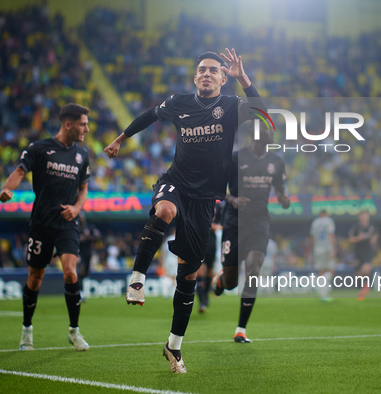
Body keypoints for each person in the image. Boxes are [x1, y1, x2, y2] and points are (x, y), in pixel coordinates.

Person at [104, 48, 263, 373]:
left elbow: (262, 111)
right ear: (195, 77)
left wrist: (244, 78)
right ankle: (136, 279)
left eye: (213, 70)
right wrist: (121, 138)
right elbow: (150, 115)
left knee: (188, 276)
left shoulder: (231, 106)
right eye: (201, 69)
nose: (206, 74)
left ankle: (174, 347)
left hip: (205, 201)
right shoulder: (179, 102)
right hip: (175, 182)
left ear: (222, 78)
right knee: (163, 210)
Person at [0, 103, 91, 351]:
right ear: (68, 124)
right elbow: (20, 171)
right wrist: (8, 188)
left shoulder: (82, 155)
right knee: (35, 277)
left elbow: (83, 187)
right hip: (41, 223)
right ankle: (27, 329)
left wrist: (77, 208)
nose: (87, 129)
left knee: (71, 272)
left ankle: (74, 331)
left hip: (67, 223)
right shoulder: (39, 148)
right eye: (83, 124)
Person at [213, 124, 290, 343]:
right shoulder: (235, 158)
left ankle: (241, 329)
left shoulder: (276, 161)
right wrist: (232, 199)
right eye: (268, 131)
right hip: (234, 223)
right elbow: (216, 187)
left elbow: (281, 188)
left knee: (254, 267)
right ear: (256, 135)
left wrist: (284, 198)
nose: (272, 134)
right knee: (231, 282)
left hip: (259, 222)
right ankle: (220, 281)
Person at [196, 204, 223, 313]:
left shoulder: (219, 207)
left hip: (212, 244)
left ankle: (205, 297)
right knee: (200, 273)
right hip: (200, 241)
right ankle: (202, 302)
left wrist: (217, 226)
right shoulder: (200, 204)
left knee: (209, 274)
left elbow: (222, 223)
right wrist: (212, 226)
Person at [348, 211, 378, 300]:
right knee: (357, 274)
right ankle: (361, 289)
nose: (364, 218)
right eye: (363, 216)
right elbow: (350, 239)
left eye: (366, 216)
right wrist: (358, 238)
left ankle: (366, 286)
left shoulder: (372, 227)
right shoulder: (355, 227)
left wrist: (374, 239)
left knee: (366, 268)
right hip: (358, 252)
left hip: (368, 252)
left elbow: (376, 234)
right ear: (360, 217)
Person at [310, 210, 336, 301]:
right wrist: (333, 249)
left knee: (320, 271)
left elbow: (313, 237)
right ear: (326, 214)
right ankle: (323, 293)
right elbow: (330, 235)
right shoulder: (329, 221)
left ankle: (318, 287)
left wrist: (315, 249)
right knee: (330, 270)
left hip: (318, 249)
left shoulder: (315, 222)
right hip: (327, 248)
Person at [78, 211, 100, 301]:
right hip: (79, 253)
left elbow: (98, 235)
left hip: (88, 253)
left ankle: (81, 290)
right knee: (80, 271)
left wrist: (88, 237)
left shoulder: (89, 227)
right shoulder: (75, 228)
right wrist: (82, 238)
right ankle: (80, 292)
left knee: (85, 273)